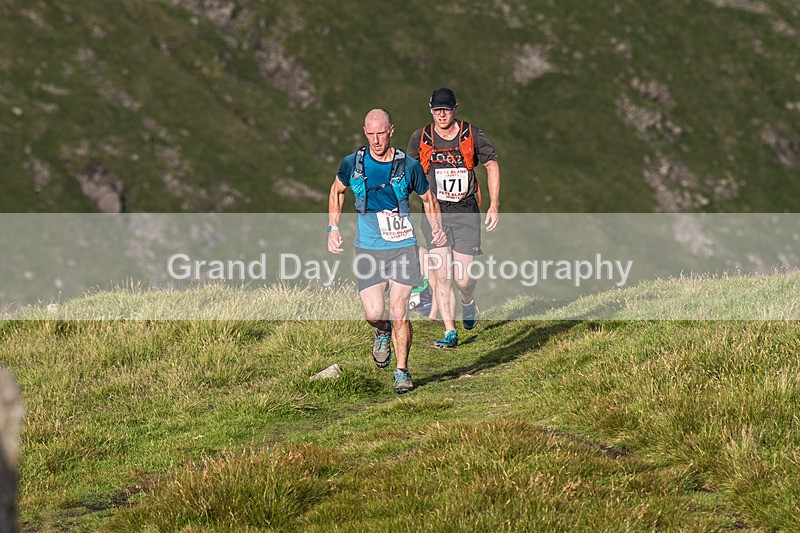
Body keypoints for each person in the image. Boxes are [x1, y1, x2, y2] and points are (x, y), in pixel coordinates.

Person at [328, 108, 445, 393]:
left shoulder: (410, 166)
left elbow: (428, 199)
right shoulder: (352, 164)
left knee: (399, 311)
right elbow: (337, 192)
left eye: (381, 133)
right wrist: (332, 229)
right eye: (370, 133)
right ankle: (382, 331)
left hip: (403, 246)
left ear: (391, 130)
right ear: (364, 132)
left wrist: (436, 229)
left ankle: (402, 371)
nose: (376, 139)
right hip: (368, 249)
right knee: (373, 313)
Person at [407, 88, 500, 348]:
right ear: (430, 108)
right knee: (443, 275)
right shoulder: (421, 137)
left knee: (462, 279)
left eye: (446, 110)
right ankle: (450, 331)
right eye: (436, 110)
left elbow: (491, 164)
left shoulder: (471, 134)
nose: (441, 115)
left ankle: (468, 302)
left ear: (455, 108)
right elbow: (407, 173)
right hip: (435, 212)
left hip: (466, 210)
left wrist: (494, 205)